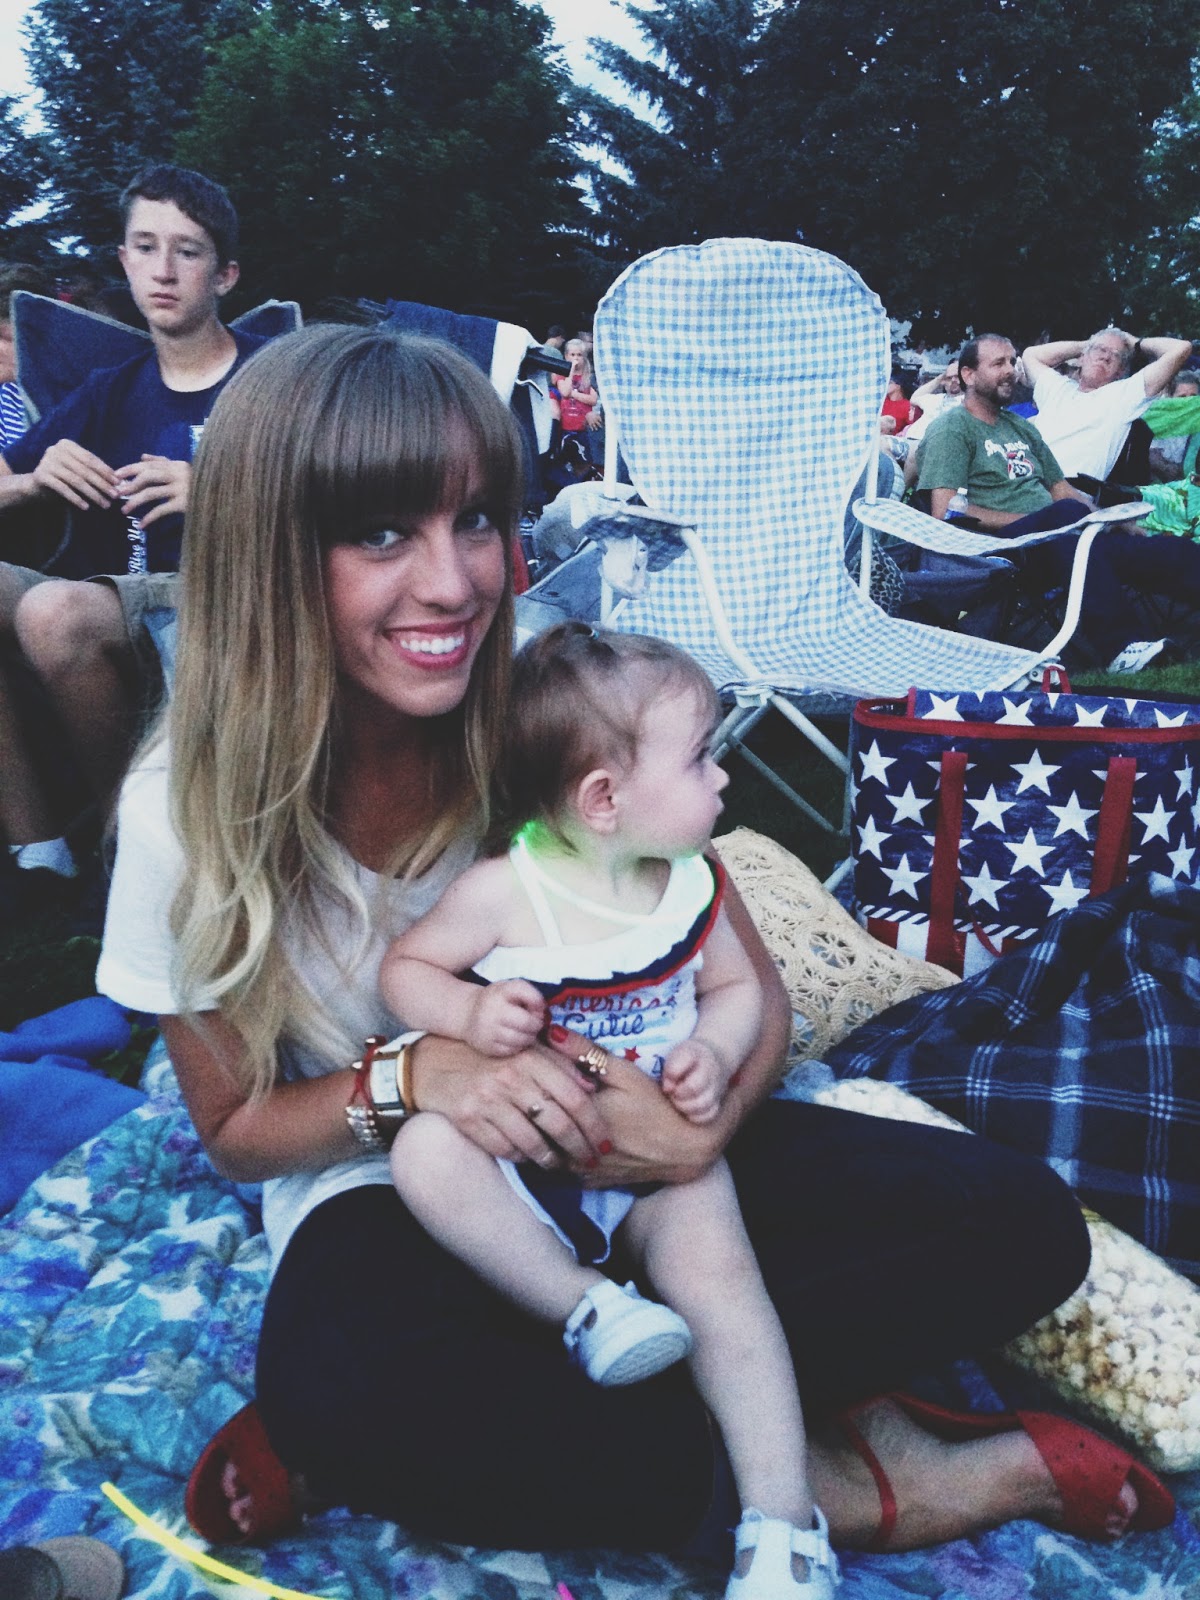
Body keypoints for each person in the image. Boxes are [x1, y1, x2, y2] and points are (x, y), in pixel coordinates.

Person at [96, 323, 1163, 1573]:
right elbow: (235, 1127)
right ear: (269, 553)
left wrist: (703, 1125)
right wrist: (420, 1075)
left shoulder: (549, 703)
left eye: (476, 519)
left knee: (1019, 1229)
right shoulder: (184, 807)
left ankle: (501, 1422)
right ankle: (862, 1485)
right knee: (351, 1389)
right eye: (380, 534)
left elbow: (750, 990)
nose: (454, 583)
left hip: (645, 1141)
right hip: (402, 1189)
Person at [382, 622, 836, 1598]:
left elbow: (735, 991)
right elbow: (406, 969)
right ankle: (587, 1307)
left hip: (661, 1158)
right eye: (700, 758)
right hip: (528, 1156)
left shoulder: (689, 885)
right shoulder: (507, 892)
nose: (723, 777)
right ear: (603, 799)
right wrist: (468, 1013)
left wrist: (714, 1053)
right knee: (424, 1154)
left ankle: (784, 1523)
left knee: (727, 1288)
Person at [0, 163, 266, 894]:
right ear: (124, 260)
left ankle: (133, 853)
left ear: (224, 275)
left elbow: (349, 496)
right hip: (115, 597)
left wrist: (217, 491)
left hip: (226, 599)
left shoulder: (274, 379)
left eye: (188, 250)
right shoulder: (109, 391)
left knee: (53, 613)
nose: (164, 270)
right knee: (39, 602)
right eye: (146, 247)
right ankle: (39, 850)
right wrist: (33, 479)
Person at [918, 333, 1200, 671]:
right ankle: (1122, 647)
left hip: (1060, 537)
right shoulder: (953, 428)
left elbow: (1062, 490)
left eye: (1012, 362)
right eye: (998, 364)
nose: (1010, 370)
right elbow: (945, 509)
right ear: (968, 374)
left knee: (1168, 548)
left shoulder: (1021, 428)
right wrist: (1048, 523)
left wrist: (1110, 520)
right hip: (1003, 548)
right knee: (1065, 519)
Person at [1022, 327, 1193, 490]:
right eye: (1100, 350)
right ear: (1082, 358)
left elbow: (1181, 349)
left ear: (1120, 371)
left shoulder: (1124, 395)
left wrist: (1136, 343)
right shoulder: (1056, 387)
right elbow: (1031, 355)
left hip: (1067, 493)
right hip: (1023, 481)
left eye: (1115, 355)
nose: (1105, 357)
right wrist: (1086, 344)